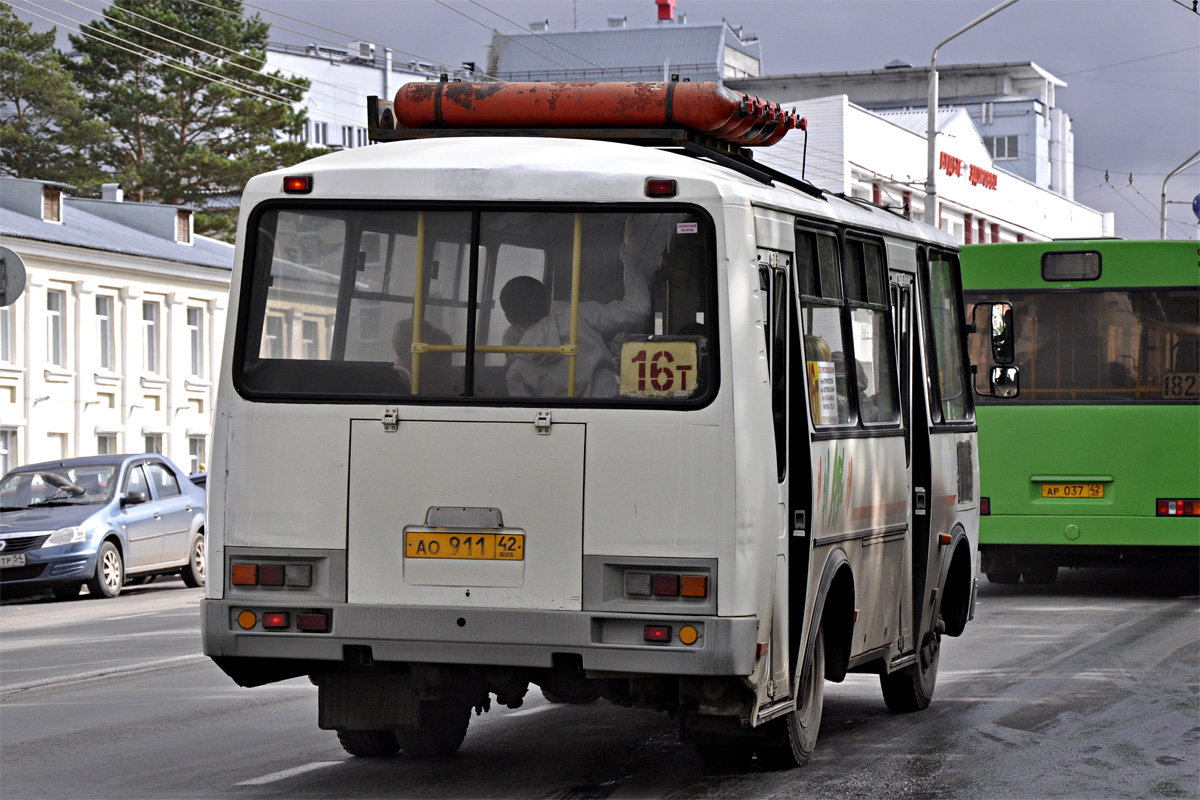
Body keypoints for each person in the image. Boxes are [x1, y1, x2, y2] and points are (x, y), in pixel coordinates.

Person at [500, 245, 650, 398]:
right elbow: (638, 308)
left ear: (509, 319)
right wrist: (630, 263)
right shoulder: (580, 316)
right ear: (547, 302)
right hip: (613, 414)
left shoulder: (516, 374)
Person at [392, 317, 455, 394]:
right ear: (407, 349)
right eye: (425, 344)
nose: (432, 346)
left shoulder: (422, 374)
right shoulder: (402, 381)